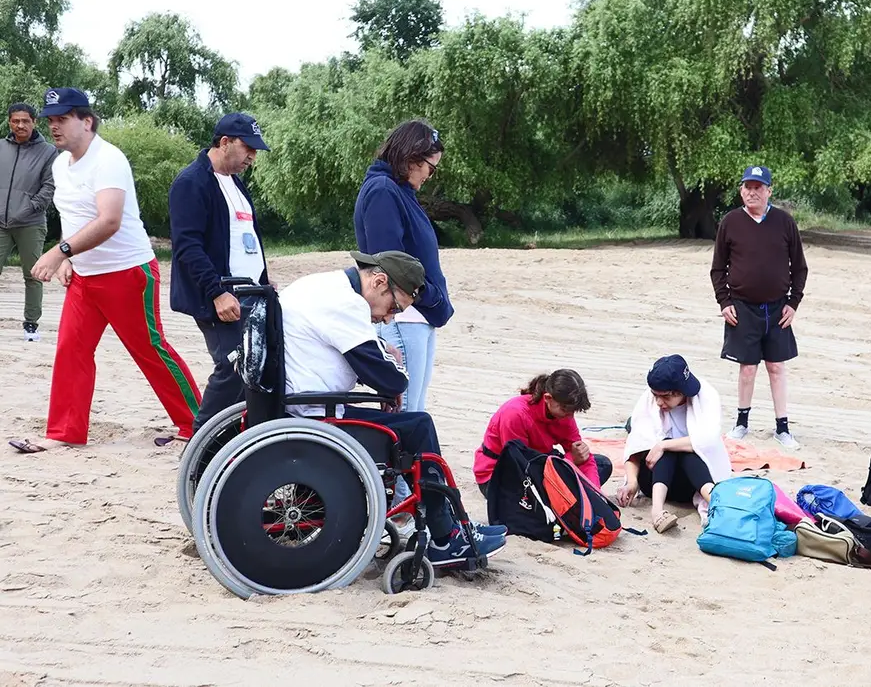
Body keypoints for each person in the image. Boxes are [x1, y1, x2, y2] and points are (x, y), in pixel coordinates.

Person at [278, 249, 505, 565]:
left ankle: (447, 526)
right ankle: (444, 535)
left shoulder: (320, 286)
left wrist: (383, 353)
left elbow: (365, 361)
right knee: (418, 425)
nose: (388, 317)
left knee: (409, 422)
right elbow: (389, 381)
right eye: (393, 307)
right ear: (379, 280)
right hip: (320, 417)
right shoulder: (346, 303)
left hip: (301, 405)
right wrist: (393, 364)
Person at [8, 88, 201, 454]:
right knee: (71, 349)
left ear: (87, 121)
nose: (54, 127)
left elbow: (109, 220)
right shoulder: (60, 165)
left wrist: (58, 251)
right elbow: (73, 218)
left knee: (149, 350)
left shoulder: (109, 159)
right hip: (84, 276)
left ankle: (197, 423)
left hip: (127, 273)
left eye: (62, 119)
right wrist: (68, 259)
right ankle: (64, 431)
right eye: (50, 120)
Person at [169, 113, 272, 434]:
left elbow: (248, 237)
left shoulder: (235, 183)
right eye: (248, 148)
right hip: (219, 296)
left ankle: (237, 438)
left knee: (257, 368)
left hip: (251, 294)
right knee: (231, 366)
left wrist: (264, 281)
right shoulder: (191, 182)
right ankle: (200, 443)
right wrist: (216, 291)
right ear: (224, 142)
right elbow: (187, 247)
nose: (252, 157)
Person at [354, 119, 452, 414]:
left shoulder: (396, 192)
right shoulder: (384, 191)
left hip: (415, 315)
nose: (430, 176)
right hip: (403, 315)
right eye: (430, 168)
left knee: (413, 408)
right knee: (406, 411)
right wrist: (429, 296)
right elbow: (390, 263)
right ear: (411, 157)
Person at [710, 165, 808, 449]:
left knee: (776, 367)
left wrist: (794, 302)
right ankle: (741, 422)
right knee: (747, 368)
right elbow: (718, 268)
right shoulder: (730, 222)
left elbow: (799, 267)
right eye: (747, 187)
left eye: (758, 187)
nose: (752, 192)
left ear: (769, 191)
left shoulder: (784, 222)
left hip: (778, 309)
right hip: (742, 308)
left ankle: (783, 427)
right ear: (741, 190)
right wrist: (724, 301)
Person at [617, 355, 732, 533]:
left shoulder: (706, 396)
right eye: (655, 396)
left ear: (680, 392)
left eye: (665, 397)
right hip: (655, 479)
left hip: (694, 482)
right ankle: (657, 511)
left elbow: (708, 440)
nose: (658, 402)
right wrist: (631, 482)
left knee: (676, 448)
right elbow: (635, 446)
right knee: (666, 447)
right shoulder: (648, 400)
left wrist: (664, 446)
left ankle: (718, 502)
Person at [473, 369, 611, 497]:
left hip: (541, 463)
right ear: (547, 398)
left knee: (603, 465)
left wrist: (596, 494)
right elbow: (520, 469)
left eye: (572, 412)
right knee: (535, 492)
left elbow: (582, 457)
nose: (569, 417)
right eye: (564, 410)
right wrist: (570, 461)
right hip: (501, 475)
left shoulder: (564, 413)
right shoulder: (515, 414)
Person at [1, 102, 58, 342]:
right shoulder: (1, 147)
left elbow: (50, 185)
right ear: (9, 122)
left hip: (30, 222)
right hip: (0, 223)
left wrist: (30, 208)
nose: (20, 125)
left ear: (34, 122)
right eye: (15, 120)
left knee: (33, 275)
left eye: (25, 120)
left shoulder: (48, 152)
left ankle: (31, 325)